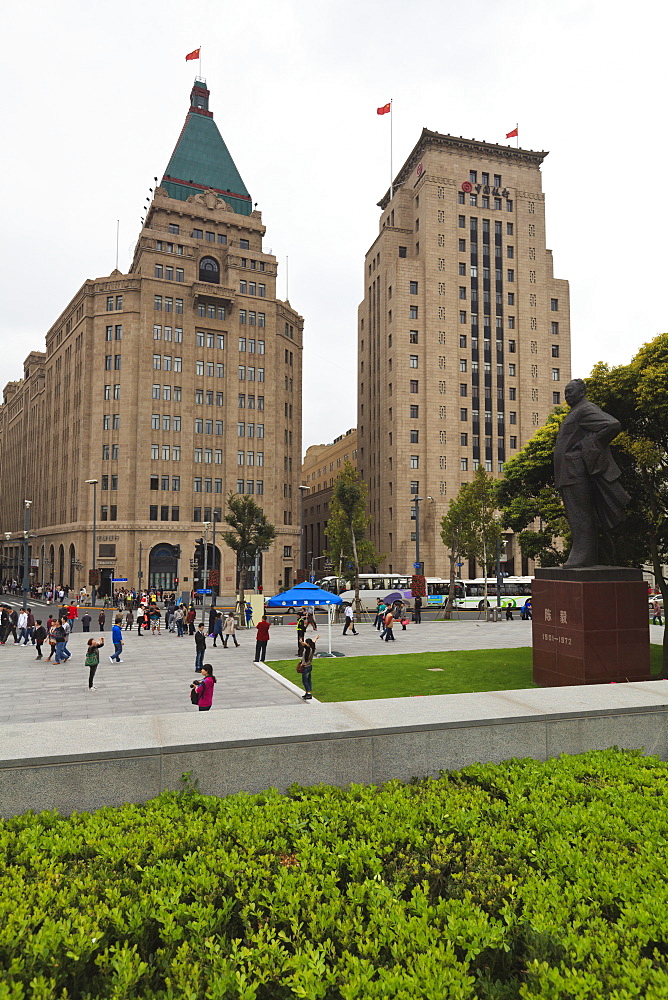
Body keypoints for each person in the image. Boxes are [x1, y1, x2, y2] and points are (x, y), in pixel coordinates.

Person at [554, 378, 630, 567]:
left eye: (571, 391)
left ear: (582, 392)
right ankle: (580, 553)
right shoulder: (574, 412)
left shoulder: (586, 409)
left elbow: (612, 424)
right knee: (574, 515)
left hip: (575, 470)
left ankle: (583, 556)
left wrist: (588, 444)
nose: (567, 395)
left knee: (581, 514)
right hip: (567, 472)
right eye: (566, 392)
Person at [299, 636, 318, 701]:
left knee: (305, 681)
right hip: (310, 666)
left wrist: (301, 641)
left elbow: (305, 645)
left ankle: (308, 693)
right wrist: (316, 638)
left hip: (306, 667)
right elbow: (313, 642)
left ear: (308, 644)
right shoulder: (312, 648)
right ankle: (308, 692)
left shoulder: (308, 649)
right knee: (308, 680)